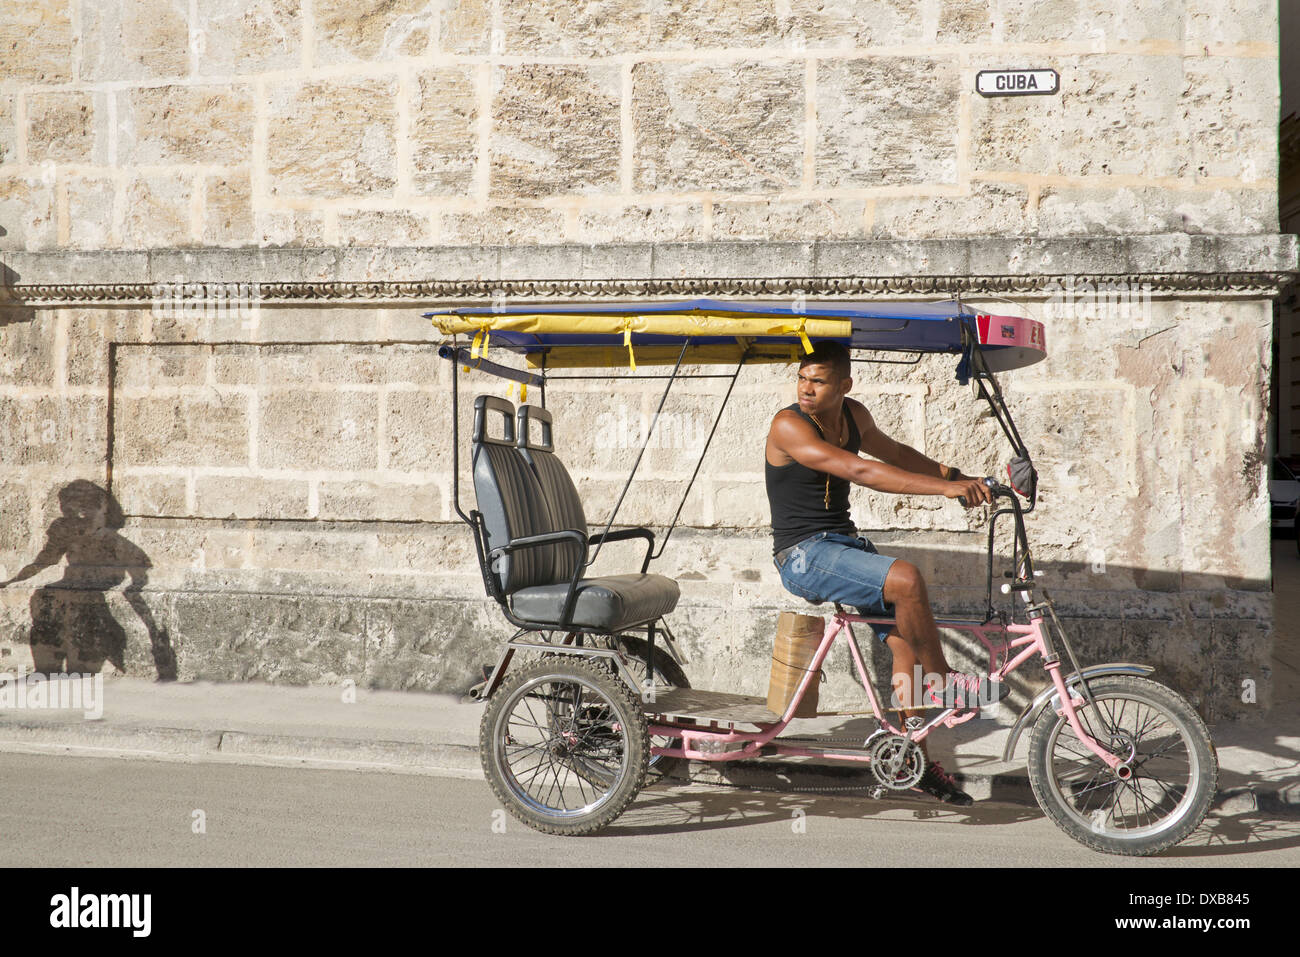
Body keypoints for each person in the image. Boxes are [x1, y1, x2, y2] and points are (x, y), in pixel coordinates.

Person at [764, 340, 1002, 805]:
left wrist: (960, 476)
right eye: (802, 378)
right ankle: (943, 681)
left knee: (903, 648)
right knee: (907, 579)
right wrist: (946, 492)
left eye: (818, 380)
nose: (806, 388)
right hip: (802, 554)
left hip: (843, 546)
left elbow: (895, 453)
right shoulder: (788, 424)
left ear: (844, 385)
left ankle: (914, 759)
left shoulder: (854, 414)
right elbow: (862, 471)